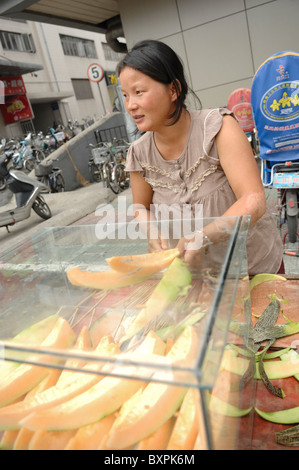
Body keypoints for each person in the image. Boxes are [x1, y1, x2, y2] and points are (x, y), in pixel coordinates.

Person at [116, 39, 284, 275]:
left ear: (173, 89)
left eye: (138, 92)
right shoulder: (139, 153)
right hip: (196, 277)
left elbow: (253, 199)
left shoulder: (219, 128)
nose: (130, 105)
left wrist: (204, 236)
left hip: (251, 267)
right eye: (125, 95)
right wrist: (151, 231)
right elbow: (140, 207)